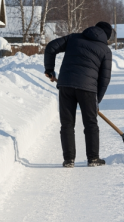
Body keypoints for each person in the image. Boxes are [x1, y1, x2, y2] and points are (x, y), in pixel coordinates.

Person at [44, 21, 113, 168]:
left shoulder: (74, 38)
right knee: (91, 124)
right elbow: (104, 80)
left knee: (67, 124)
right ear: (106, 37)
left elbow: (51, 47)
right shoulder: (105, 50)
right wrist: (97, 101)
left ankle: (69, 160)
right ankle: (93, 158)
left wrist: (49, 70)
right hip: (88, 89)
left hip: (66, 84)